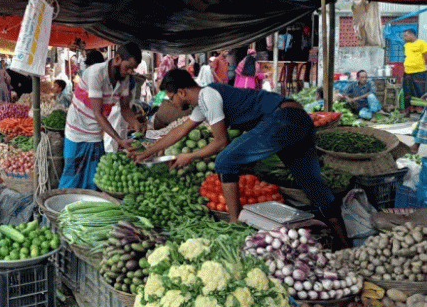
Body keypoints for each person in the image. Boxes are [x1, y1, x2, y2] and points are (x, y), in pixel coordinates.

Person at [133, 69, 348, 249]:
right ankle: (344, 246)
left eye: (171, 97)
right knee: (313, 185)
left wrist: (189, 156)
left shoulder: (208, 95)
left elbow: (221, 143)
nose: (171, 102)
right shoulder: (203, 103)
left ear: (181, 92)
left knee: (224, 161)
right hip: (298, 118)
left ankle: (235, 222)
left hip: (281, 118)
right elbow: (179, 131)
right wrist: (147, 152)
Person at [59, 42, 146, 190]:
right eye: (128, 67)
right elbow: (97, 113)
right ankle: (57, 212)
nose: (130, 72)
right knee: (71, 177)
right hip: (77, 132)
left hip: (96, 134)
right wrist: (119, 139)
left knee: (94, 179)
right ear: (117, 59)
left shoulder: (124, 80)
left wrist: (136, 123)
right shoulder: (96, 73)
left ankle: (86, 211)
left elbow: (125, 108)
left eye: (133, 69)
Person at [403, 29, 427, 116]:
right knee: (408, 91)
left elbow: (426, 56)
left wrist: (421, 65)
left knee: (420, 92)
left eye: (405, 35)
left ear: (411, 34)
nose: (404, 38)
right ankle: (408, 110)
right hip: (408, 72)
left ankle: (421, 111)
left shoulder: (421, 43)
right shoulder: (406, 45)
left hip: (419, 72)